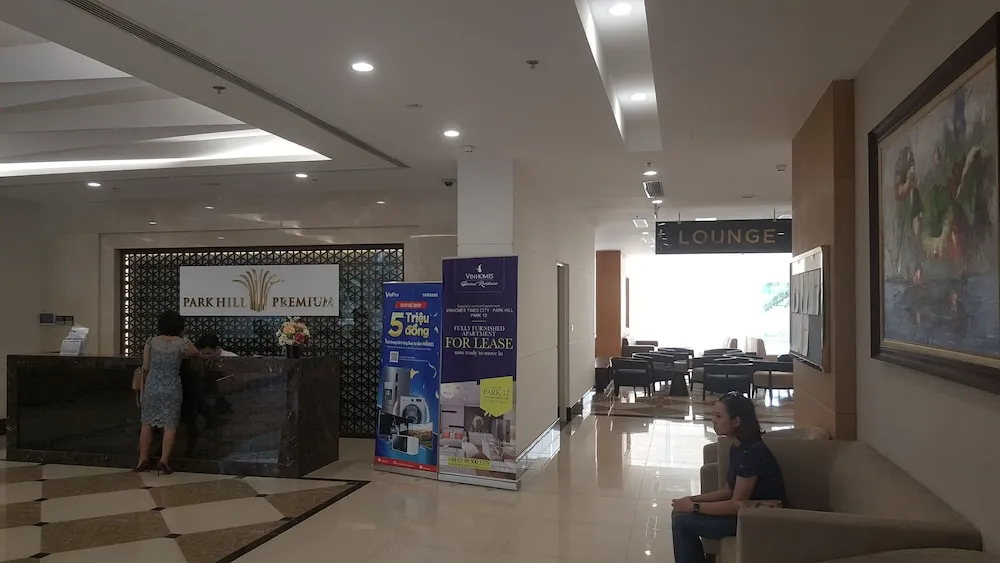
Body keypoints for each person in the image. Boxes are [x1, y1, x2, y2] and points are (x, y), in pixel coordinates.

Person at [671, 392, 787, 563]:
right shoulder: (738, 447)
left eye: (718, 416)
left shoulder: (750, 453)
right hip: (745, 514)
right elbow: (726, 491)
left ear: (736, 421)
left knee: (682, 521)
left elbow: (735, 506)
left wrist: (694, 507)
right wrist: (692, 499)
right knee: (680, 515)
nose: (713, 420)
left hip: (759, 520)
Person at [134, 311, 199, 474]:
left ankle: (142, 459)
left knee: (147, 423)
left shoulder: (151, 342)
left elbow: (146, 367)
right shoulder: (182, 343)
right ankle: (163, 461)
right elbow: (195, 353)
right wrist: (183, 337)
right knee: (170, 424)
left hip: (152, 386)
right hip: (172, 387)